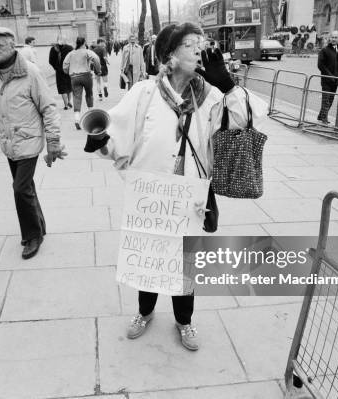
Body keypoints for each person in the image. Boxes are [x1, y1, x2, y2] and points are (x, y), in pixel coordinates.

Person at [84, 22, 266, 351]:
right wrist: (100, 140)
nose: (199, 50)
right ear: (169, 55)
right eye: (189, 45)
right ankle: (145, 313)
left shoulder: (211, 95)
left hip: (190, 196)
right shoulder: (145, 92)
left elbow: (249, 120)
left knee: (185, 262)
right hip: (152, 197)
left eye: (201, 44)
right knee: (149, 258)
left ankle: (184, 321)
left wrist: (226, 86)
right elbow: (117, 132)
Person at [0, 27, 66, 260]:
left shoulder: (30, 73)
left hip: (29, 142)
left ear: (12, 46)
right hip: (9, 146)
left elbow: (49, 107)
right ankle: (40, 225)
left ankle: (32, 236)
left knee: (20, 189)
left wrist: (53, 141)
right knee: (26, 187)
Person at [63, 36, 102, 130]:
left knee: (77, 97)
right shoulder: (87, 51)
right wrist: (98, 70)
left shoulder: (71, 53)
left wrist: (68, 72)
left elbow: (65, 65)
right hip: (86, 76)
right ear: (84, 43)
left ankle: (77, 119)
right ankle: (91, 118)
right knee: (89, 95)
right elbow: (96, 59)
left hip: (74, 77)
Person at [316, 30, 338, 124]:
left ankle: (320, 116)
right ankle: (324, 119)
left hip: (336, 80)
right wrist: (330, 76)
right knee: (326, 99)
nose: (334, 39)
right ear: (329, 38)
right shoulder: (324, 50)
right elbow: (320, 65)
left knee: (330, 100)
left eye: (335, 37)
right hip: (326, 80)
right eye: (332, 37)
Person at [49, 36, 73, 110]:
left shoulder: (53, 48)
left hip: (59, 71)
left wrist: (56, 68)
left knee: (62, 88)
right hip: (68, 70)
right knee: (69, 86)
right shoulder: (70, 48)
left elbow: (51, 61)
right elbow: (73, 58)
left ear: (57, 40)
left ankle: (66, 105)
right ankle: (69, 102)